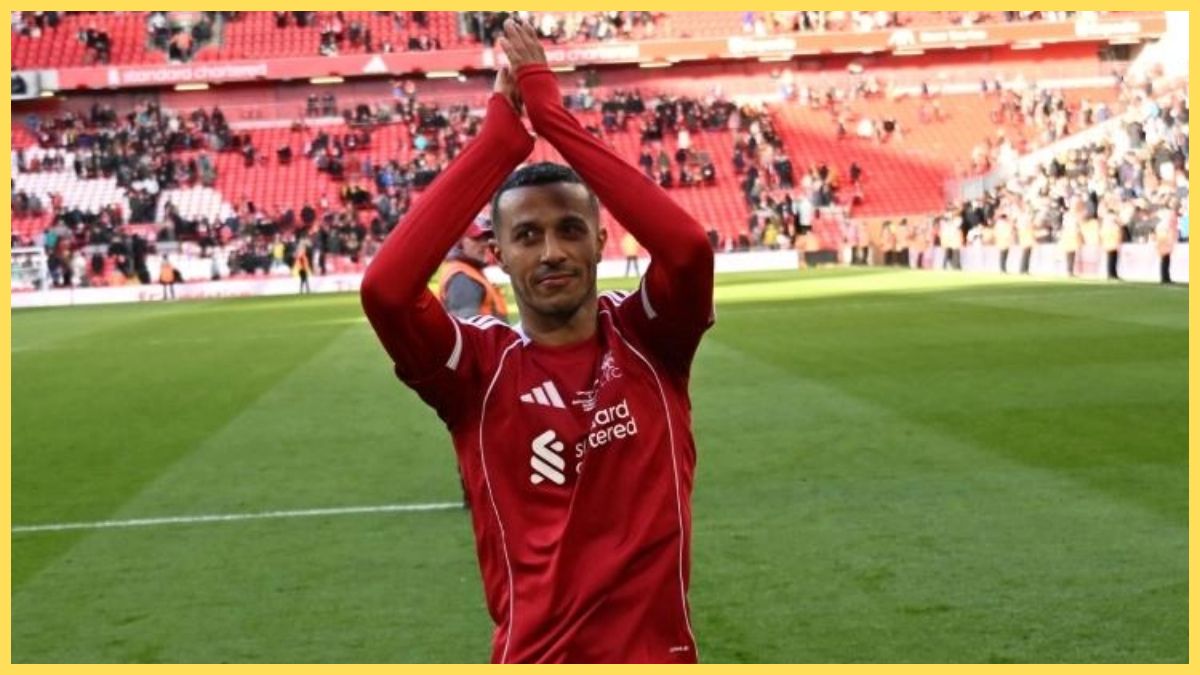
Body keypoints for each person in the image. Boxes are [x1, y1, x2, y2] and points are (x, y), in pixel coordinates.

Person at [361, 18, 713, 664]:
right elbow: (386, 290)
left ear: (600, 240)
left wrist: (553, 118)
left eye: (570, 228)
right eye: (527, 236)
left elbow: (688, 250)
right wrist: (500, 141)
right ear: (499, 254)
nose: (552, 252)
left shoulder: (651, 339)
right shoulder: (477, 373)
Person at [437, 217, 508, 320]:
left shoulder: (469, 270)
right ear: (459, 243)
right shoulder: (462, 278)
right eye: (476, 239)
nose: (484, 244)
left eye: (485, 239)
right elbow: (466, 330)